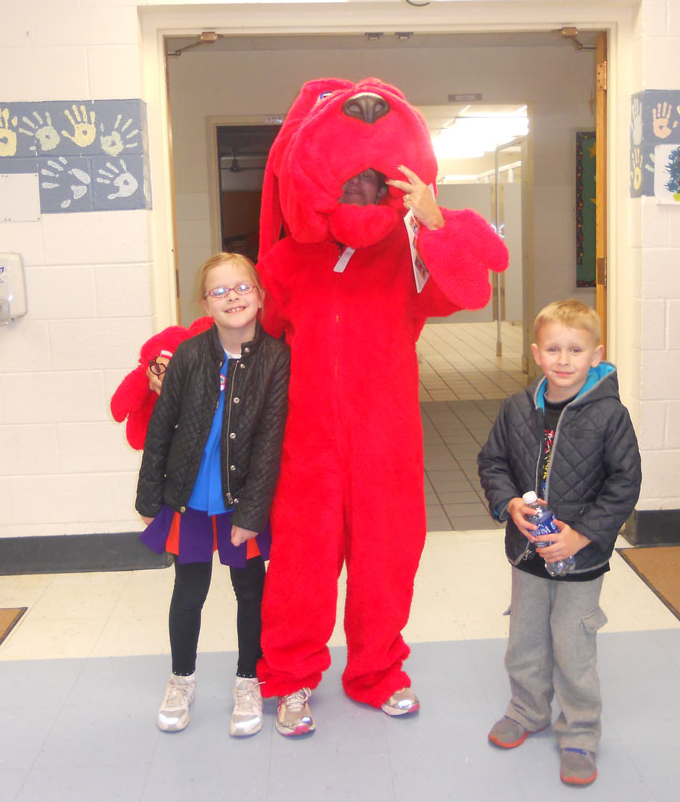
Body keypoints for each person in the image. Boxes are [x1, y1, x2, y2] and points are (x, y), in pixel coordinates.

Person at [254, 77, 507, 736]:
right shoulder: (286, 261)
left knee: (386, 558)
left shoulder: (410, 252)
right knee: (301, 567)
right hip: (305, 443)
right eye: (350, 184)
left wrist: (432, 220)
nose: (360, 196)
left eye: (373, 184)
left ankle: (375, 671)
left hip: (386, 438)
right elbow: (250, 342)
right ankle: (290, 677)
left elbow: (468, 291)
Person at [477, 300, 641, 787]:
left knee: (573, 644)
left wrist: (582, 535)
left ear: (597, 354)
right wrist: (508, 504)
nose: (564, 359)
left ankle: (580, 733)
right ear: (536, 352)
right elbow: (492, 463)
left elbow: (624, 484)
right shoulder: (516, 408)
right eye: (553, 349)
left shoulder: (610, 416)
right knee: (525, 639)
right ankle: (528, 710)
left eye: (575, 349)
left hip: (581, 559)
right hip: (527, 556)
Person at [135, 252, 290, 737]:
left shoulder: (277, 358)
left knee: (250, 591)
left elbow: (270, 441)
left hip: (242, 502)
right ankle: (181, 678)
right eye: (220, 291)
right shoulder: (189, 354)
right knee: (189, 590)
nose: (233, 298)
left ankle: (249, 678)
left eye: (242, 288)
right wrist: (148, 499)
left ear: (260, 296)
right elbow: (162, 426)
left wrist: (252, 511)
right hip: (189, 498)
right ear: (206, 303)